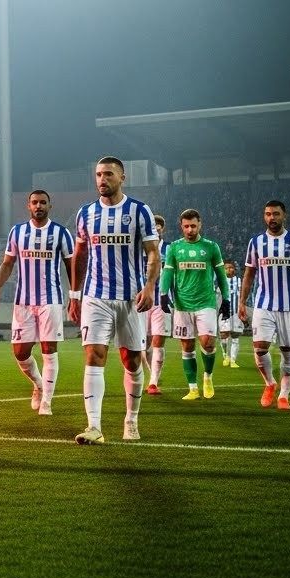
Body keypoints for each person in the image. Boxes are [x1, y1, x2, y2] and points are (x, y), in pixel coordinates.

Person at [68, 157, 159, 444]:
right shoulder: (86, 214)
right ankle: (94, 426)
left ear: (122, 178)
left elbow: (153, 253)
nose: (101, 179)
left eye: (108, 174)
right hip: (96, 297)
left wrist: (149, 286)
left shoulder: (139, 211)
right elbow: (80, 255)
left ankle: (130, 420)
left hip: (132, 298)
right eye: (98, 174)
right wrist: (75, 294)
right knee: (94, 356)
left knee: (131, 361)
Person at [0, 189, 75, 416]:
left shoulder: (60, 233)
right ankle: (38, 384)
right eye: (35, 202)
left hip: (52, 300)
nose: (39, 206)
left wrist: (75, 295)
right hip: (23, 301)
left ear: (49, 206)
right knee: (20, 351)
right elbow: (7, 263)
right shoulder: (17, 232)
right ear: (28, 206)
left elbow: (71, 265)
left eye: (43, 202)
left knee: (49, 349)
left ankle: (46, 401)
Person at [239, 200, 290, 411]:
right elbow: (249, 273)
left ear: (284, 216)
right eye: (267, 214)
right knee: (260, 348)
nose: (271, 218)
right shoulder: (255, 242)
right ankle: (269, 383)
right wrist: (242, 302)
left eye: (275, 214)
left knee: (287, 350)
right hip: (264, 304)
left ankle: (284, 395)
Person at [158, 209, 228, 401]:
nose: (190, 230)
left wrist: (227, 299)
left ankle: (207, 377)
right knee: (187, 346)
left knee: (208, 342)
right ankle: (192, 388)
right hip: (182, 305)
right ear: (181, 226)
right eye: (186, 226)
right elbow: (168, 273)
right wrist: (163, 295)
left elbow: (221, 275)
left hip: (206, 302)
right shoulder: (174, 248)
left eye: (193, 226)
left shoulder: (211, 247)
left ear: (200, 225)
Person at [144, 215, 173, 395]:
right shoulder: (140, 246)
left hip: (162, 299)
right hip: (143, 299)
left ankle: (153, 382)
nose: (157, 228)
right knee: (143, 344)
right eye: (153, 225)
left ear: (163, 229)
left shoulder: (170, 248)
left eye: (159, 225)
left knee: (158, 340)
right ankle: (151, 373)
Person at [218, 261, 244, 368]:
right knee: (224, 335)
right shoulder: (219, 281)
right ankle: (225, 356)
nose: (229, 269)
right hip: (224, 312)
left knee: (235, 336)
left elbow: (243, 295)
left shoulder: (239, 281)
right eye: (226, 268)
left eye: (231, 267)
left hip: (236, 313)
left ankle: (233, 360)